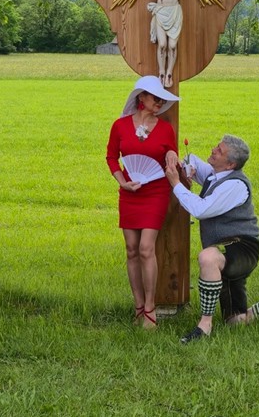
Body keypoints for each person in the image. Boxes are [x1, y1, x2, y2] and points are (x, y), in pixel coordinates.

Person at [163, 134, 259, 344]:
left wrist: (175, 183)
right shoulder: (216, 175)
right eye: (217, 146)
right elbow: (193, 162)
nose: (214, 150)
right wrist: (180, 160)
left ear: (231, 164)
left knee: (208, 257)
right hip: (225, 250)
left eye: (220, 151)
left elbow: (200, 209)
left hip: (242, 248)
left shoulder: (234, 185)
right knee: (236, 321)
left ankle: (204, 326)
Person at [106, 75, 181, 329]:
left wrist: (172, 153)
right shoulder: (120, 126)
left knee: (146, 248)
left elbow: (172, 154)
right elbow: (111, 157)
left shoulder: (165, 128)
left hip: (155, 192)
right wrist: (121, 181)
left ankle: (150, 309)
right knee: (131, 249)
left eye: (161, 99)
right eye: (155, 97)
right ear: (142, 98)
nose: (159, 102)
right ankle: (138, 305)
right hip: (130, 191)